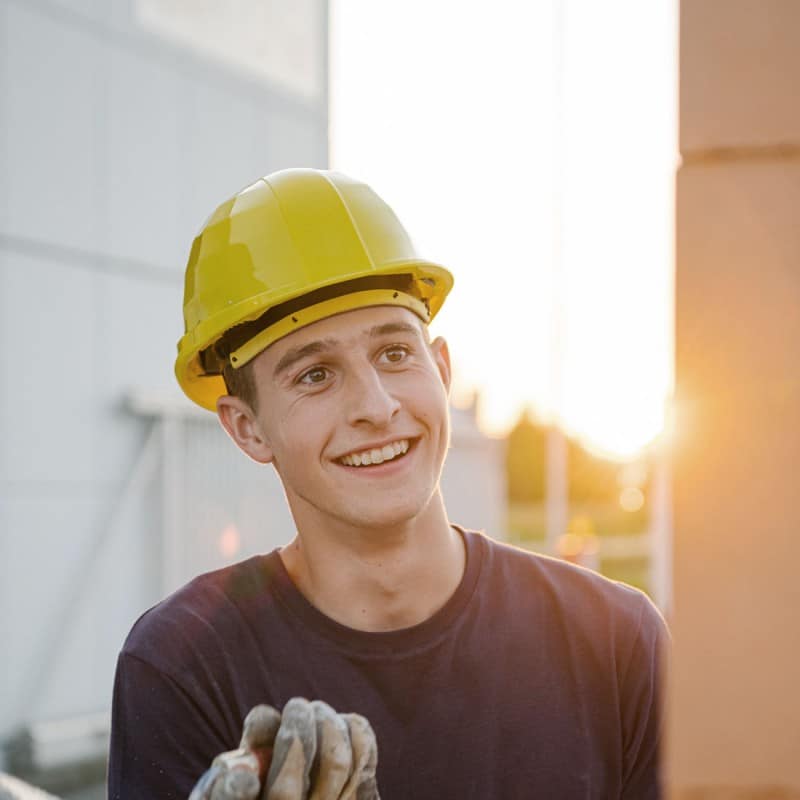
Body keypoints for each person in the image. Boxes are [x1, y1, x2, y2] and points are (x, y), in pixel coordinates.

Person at [108, 168, 669, 799]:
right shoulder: (185, 665)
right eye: (315, 375)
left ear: (442, 368)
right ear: (247, 429)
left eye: (395, 354)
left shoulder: (615, 641)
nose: (375, 406)